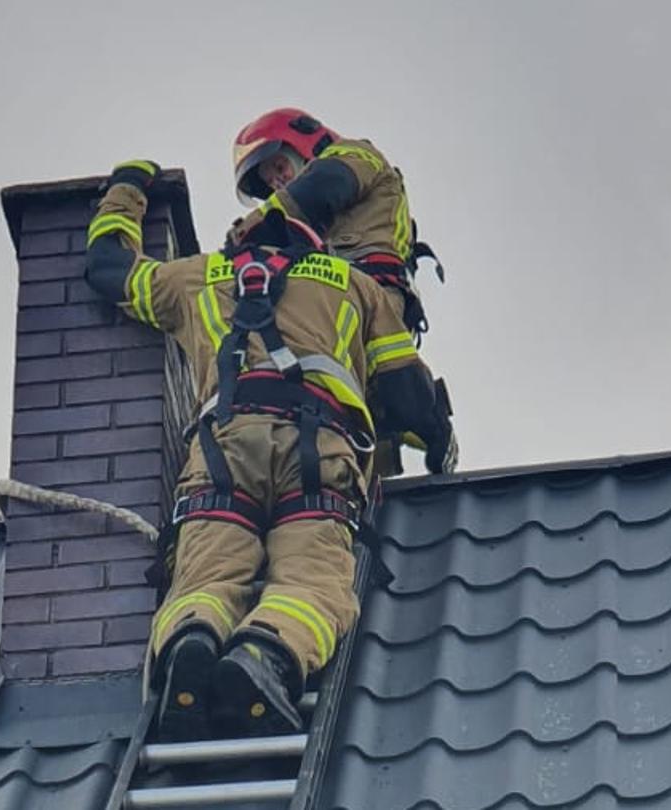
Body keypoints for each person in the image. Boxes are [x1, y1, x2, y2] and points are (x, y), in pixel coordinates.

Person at [83, 159, 455, 742]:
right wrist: (440, 445)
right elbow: (407, 399)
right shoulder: (353, 285)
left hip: (222, 452)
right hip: (320, 455)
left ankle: (191, 648)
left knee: (206, 575)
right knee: (313, 581)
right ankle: (265, 656)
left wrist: (126, 188)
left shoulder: (194, 278)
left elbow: (109, 269)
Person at [228, 108, 454, 477]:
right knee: (338, 409)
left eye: (279, 167)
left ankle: (430, 425)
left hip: (371, 294)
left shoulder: (354, 156)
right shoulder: (303, 224)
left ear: (305, 144)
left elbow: (324, 186)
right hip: (332, 305)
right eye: (268, 181)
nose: (277, 183)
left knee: (368, 390)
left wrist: (246, 233)